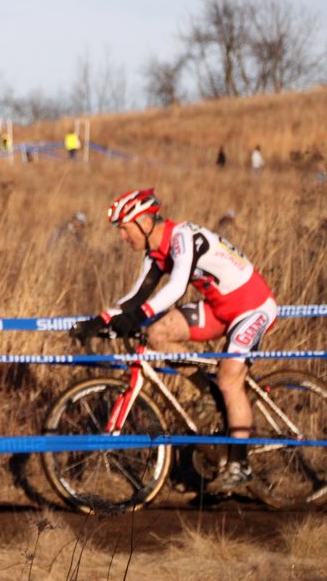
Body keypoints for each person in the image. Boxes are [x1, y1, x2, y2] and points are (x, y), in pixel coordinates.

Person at [69, 189, 278, 494]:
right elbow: (135, 297)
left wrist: (137, 316)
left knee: (230, 379)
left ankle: (240, 465)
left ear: (142, 221)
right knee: (158, 334)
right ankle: (211, 393)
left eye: (124, 230)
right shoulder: (155, 253)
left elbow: (178, 286)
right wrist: (99, 321)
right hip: (219, 309)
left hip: (252, 306)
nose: (123, 238)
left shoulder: (182, 237)